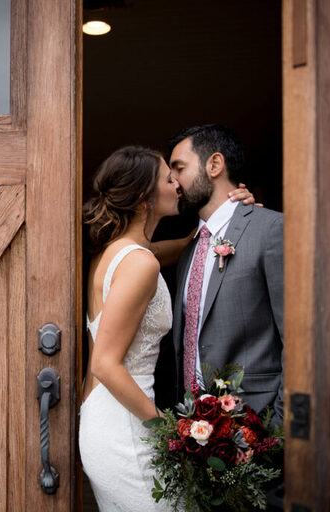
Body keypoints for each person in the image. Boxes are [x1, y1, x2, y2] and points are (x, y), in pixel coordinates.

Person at [78, 145, 255, 511]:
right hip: (125, 427)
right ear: (144, 199)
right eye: (167, 177)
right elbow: (105, 364)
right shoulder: (138, 264)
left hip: (108, 416)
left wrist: (227, 220)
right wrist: (169, 429)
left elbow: (176, 249)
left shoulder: (119, 252)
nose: (177, 183)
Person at [165, 124, 284, 427]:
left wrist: (280, 425)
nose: (173, 182)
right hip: (196, 433)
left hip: (259, 423)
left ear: (214, 164)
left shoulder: (270, 229)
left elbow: (299, 340)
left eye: (179, 168)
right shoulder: (188, 252)